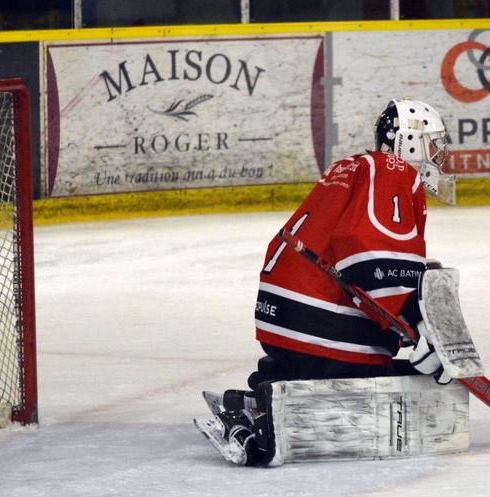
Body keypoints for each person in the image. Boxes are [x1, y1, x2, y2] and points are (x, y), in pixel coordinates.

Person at [196, 98, 457, 466]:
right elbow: (371, 246)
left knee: (370, 368)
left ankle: (270, 389)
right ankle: (266, 424)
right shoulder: (393, 170)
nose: (438, 155)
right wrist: (414, 318)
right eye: (433, 144)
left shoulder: (352, 167)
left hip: (286, 314)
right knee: (380, 387)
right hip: (319, 322)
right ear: (409, 142)